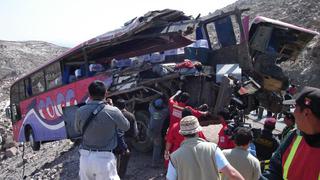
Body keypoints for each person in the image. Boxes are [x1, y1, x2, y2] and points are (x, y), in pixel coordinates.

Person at [74, 80, 130, 180]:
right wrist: (112, 108)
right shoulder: (113, 111)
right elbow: (126, 126)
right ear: (106, 94)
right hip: (105, 160)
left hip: (85, 159)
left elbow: (77, 130)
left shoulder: (79, 111)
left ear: (89, 95)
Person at [262, 86, 320, 180]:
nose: (293, 113)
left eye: (295, 108)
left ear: (306, 113)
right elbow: (274, 170)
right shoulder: (295, 136)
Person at [166, 115, 244, 180]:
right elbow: (232, 173)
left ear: (182, 134)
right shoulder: (212, 149)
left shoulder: (174, 157)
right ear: (198, 131)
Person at [113, 98, 138, 178]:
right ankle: (121, 176)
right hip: (127, 142)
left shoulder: (114, 116)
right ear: (125, 106)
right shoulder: (130, 115)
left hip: (116, 143)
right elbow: (135, 132)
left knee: (115, 162)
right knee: (124, 163)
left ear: (116, 106)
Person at [148, 98, 169, 167]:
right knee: (157, 147)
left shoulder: (152, 110)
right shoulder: (164, 112)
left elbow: (150, 104)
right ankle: (154, 164)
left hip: (150, 131)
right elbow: (169, 108)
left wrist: (154, 101)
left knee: (155, 143)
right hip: (157, 133)